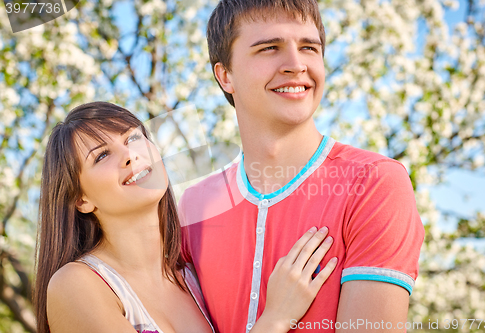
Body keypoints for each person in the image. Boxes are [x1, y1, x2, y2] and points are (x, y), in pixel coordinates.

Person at [178, 0, 426, 332]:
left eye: (309, 47)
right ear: (225, 75)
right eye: (269, 48)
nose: (296, 64)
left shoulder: (374, 183)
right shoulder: (194, 206)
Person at [33, 102, 338, 333]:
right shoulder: (74, 286)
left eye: (133, 138)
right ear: (81, 199)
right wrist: (275, 318)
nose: (129, 155)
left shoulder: (192, 274)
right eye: (101, 155)